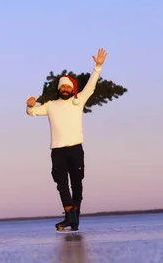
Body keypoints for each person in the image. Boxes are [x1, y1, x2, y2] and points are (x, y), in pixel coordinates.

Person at [26, 48, 107, 231]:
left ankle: (74, 217)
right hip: (58, 150)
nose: (65, 89)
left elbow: (91, 86)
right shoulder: (50, 106)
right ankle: (70, 215)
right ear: (59, 89)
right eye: (62, 86)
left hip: (76, 148)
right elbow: (32, 112)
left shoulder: (78, 102)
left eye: (68, 87)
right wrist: (29, 105)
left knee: (77, 183)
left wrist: (98, 67)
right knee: (61, 182)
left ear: (72, 89)